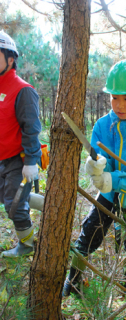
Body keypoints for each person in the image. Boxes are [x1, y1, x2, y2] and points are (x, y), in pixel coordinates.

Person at [62, 59, 126, 296]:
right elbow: (98, 160)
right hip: (108, 194)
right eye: (114, 97)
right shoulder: (103, 125)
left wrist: (112, 179)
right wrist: (94, 169)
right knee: (89, 232)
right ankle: (73, 280)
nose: (119, 105)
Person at [0, 30, 42, 257]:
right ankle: (40, 201)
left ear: (10, 58)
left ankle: (27, 246)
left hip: (18, 160)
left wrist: (32, 160)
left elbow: (32, 128)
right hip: (1, 157)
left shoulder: (23, 90)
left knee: (13, 206)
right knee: (7, 197)